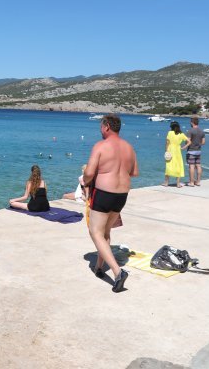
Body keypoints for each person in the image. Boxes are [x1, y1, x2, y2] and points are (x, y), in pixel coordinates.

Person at [81, 114, 138, 293]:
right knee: (105, 232)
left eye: (100, 126)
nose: (100, 129)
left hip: (104, 194)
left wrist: (85, 180)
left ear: (106, 127)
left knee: (95, 231)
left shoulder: (100, 146)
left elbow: (89, 173)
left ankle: (117, 272)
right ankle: (99, 267)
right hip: (121, 195)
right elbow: (134, 172)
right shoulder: (129, 147)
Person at [163, 121, 190, 188]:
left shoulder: (170, 133)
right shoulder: (181, 134)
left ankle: (166, 183)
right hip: (177, 151)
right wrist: (183, 147)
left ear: (172, 127)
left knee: (168, 166)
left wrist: (166, 151)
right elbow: (189, 142)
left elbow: (167, 143)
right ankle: (178, 184)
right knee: (178, 166)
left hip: (170, 150)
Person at [186, 117, 205, 186]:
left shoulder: (190, 131)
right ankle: (198, 181)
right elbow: (203, 142)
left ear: (192, 123)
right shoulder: (202, 131)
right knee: (198, 166)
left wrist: (186, 145)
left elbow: (188, 141)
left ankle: (191, 182)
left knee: (191, 166)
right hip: (198, 151)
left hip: (191, 151)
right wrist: (198, 144)